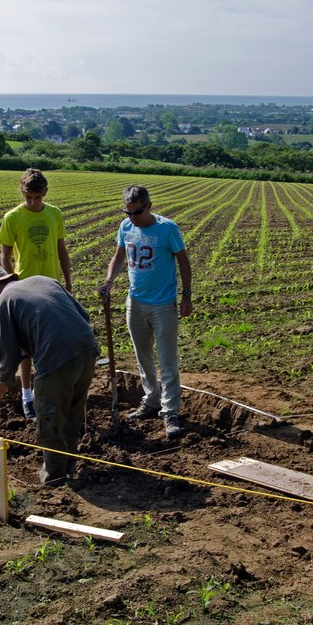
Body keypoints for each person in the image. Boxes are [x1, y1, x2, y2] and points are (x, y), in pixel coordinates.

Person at [0, 264, 98, 486]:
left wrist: (2, 381)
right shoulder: (44, 280)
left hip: (56, 358)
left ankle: (54, 478)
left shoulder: (2, 303)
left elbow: (8, 352)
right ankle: (70, 466)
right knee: (72, 414)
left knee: (48, 419)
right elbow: (83, 314)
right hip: (87, 348)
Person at [98, 184, 192, 439]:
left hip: (163, 304)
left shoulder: (167, 229)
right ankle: (151, 400)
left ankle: (170, 410)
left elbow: (183, 261)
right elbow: (118, 258)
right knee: (143, 356)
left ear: (149, 206)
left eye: (137, 213)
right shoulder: (125, 227)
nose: (132, 218)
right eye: (127, 212)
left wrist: (186, 296)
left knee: (167, 360)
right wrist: (109, 281)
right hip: (135, 302)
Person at [0, 168, 73, 420]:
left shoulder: (55, 214)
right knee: (25, 347)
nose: (33, 202)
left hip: (52, 287)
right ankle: (27, 396)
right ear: (22, 192)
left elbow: (62, 249)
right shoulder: (13, 217)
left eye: (37, 198)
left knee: (52, 343)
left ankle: (50, 394)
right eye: (29, 198)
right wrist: (12, 286)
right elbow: (5, 256)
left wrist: (68, 283)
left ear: (45, 194)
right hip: (26, 289)